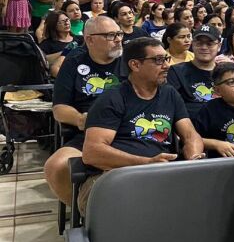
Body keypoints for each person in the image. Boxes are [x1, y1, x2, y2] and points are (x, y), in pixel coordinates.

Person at [78, 37, 205, 211]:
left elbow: (191, 135)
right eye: (158, 60)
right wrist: (146, 163)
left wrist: (194, 159)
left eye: (166, 59)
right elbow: (92, 153)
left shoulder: (170, 94)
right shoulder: (112, 98)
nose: (167, 65)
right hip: (112, 177)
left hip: (161, 174)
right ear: (135, 65)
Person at [43, 16, 124, 206]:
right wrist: (81, 119)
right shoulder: (74, 62)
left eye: (119, 34)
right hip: (90, 130)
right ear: (90, 39)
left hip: (129, 128)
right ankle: (85, 211)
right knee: (55, 166)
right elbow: (59, 109)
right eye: (111, 35)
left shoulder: (132, 61)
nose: (119, 39)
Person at [167, 25, 220, 117]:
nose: (204, 47)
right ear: (192, 44)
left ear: (219, 46)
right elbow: (171, 107)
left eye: (209, 44)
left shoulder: (226, 73)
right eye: (199, 43)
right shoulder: (176, 72)